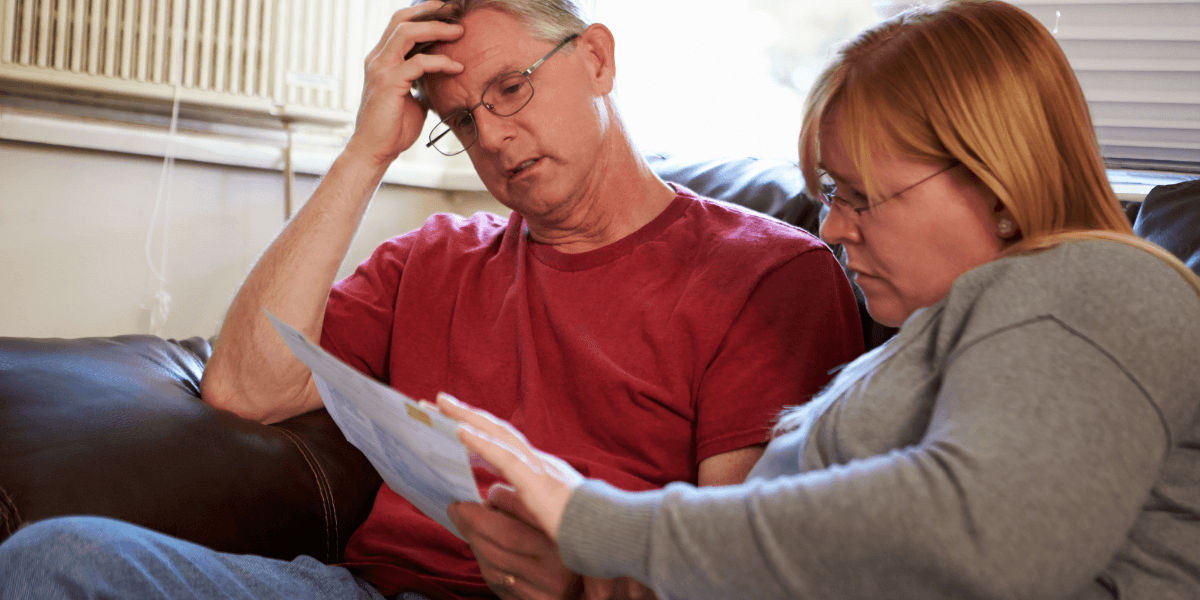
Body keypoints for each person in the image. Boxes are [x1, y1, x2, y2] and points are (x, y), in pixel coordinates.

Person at [0, 1, 863, 599]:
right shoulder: (436, 256)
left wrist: (579, 576)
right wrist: (365, 153)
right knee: (57, 556)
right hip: (370, 591)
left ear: (597, 59)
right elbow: (244, 390)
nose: (494, 136)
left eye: (511, 88)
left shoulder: (769, 274)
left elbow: (736, 565)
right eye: (462, 121)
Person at [433, 1, 1200, 599]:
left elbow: (984, 532)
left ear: (997, 183)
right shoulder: (941, 334)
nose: (832, 227)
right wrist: (590, 579)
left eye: (862, 196)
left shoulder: (1100, 286)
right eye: (830, 193)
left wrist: (595, 522)